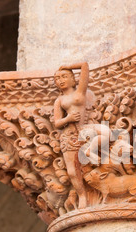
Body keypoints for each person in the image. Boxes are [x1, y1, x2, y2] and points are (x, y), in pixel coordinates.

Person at [53, 62, 92, 209]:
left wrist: (66, 65)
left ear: (73, 79)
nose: (60, 80)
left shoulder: (79, 93)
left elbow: (84, 66)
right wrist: (67, 119)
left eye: (64, 76)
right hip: (68, 137)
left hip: (85, 132)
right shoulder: (59, 100)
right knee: (72, 171)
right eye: (57, 79)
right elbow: (57, 122)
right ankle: (82, 195)